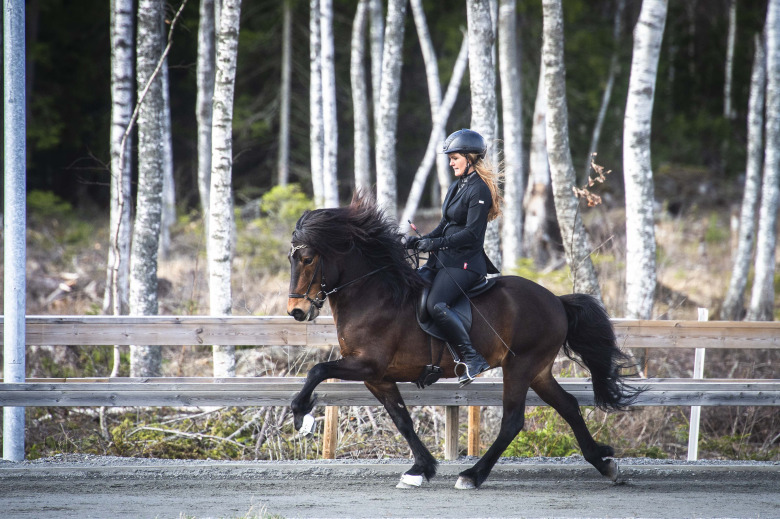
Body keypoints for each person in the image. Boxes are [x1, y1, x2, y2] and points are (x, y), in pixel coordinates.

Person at [406, 128, 502, 386]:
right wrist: (421, 240)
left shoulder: (479, 190)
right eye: (450, 159)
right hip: (444, 260)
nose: (451, 163)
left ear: (470, 158)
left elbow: (471, 234)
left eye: (455, 158)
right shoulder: (457, 186)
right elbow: (445, 225)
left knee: (436, 304)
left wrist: (435, 243)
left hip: (466, 264)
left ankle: (472, 358)